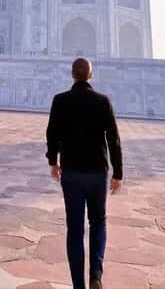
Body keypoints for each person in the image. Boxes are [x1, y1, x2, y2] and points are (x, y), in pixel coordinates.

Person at [46, 57, 123, 289]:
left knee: (75, 228)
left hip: (71, 172)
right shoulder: (102, 101)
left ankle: (78, 285)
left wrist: (53, 161)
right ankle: (96, 276)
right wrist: (118, 173)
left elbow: (52, 134)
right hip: (98, 172)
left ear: (72, 75)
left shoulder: (60, 101)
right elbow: (114, 140)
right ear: (90, 75)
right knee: (98, 222)